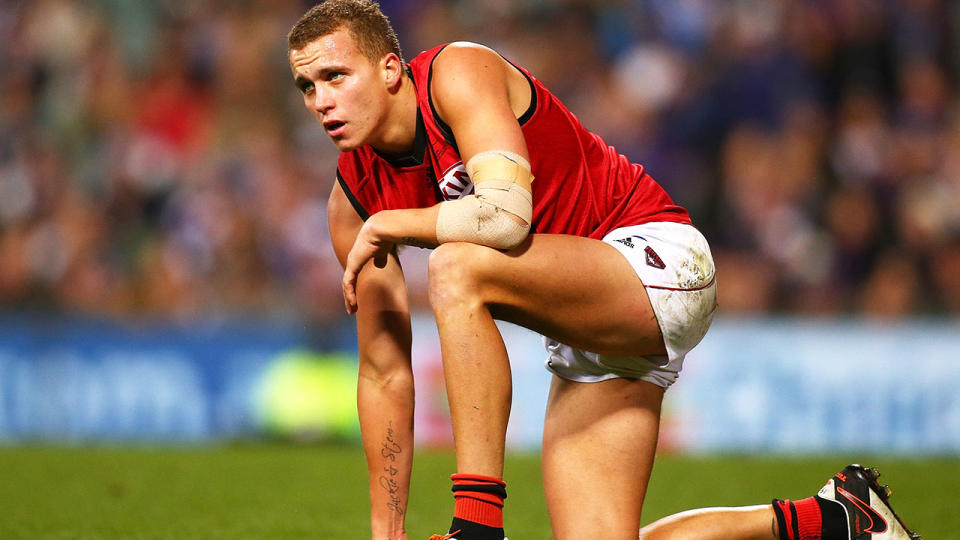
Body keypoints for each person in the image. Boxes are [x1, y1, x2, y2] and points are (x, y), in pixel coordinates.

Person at [286, 2, 921, 540]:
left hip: (657, 257)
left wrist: (397, 224)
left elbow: (506, 216)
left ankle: (476, 524)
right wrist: (386, 533)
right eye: (308, 87)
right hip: (590, 326)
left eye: (337, 76)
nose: (322, 101)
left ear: (391, 69)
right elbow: (385, 370)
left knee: (455, 268)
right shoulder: (353, 200)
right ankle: (840, 517)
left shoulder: (456, 71)